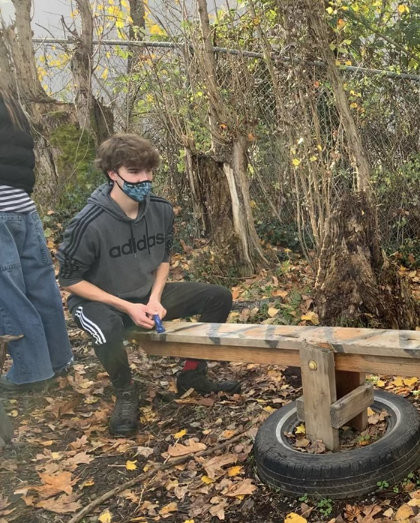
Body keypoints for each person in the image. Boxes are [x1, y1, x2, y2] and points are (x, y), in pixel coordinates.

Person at [57, 134, 240, 438]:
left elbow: (164, 257)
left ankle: (193, 374)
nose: (144, 179)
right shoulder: (88, 223)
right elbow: (70, 280)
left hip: (145, 294)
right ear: (112, 173)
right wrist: (127, 306)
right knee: (106, 327)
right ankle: (125, 391)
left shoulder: (161, 210)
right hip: (99, 302)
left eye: (149, 171)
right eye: (134, 172)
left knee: (218, 297)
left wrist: (155, 298)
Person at [0, 86, 74, 394]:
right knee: (40, 287)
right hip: (23, 206)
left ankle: (32, 372)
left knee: (9, 294)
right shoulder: (9, 98)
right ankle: (58, 361)